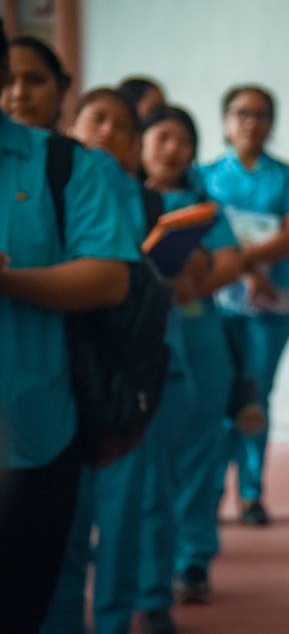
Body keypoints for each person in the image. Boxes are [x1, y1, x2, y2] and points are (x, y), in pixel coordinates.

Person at [0, 23, 139, 633]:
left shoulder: (57, 164)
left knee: (21, 605)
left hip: (30, 431)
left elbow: (109, 278)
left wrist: (8, 281)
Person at [41, 87, 152, 634]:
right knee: (64, 517)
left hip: (120, 367)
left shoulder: (138, 192)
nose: (105, 133)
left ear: (137, 145)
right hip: (62, 361)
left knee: (120, 509)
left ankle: (112, 619)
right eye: (95, 120)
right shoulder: (60, 176)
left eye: (120, 126)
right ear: (73, 125)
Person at [137, 105, 243, 609]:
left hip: (201, 336)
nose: (171, 149)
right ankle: (145, 570)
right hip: (145, 338)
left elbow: (231, 260)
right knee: (152, 464)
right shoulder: (122, 198)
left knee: (202, 452)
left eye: (182, 139)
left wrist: (189, 284)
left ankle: (193, 558)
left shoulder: (202, 205)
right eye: (161, 137)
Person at [195, 85, 289, 526]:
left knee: (255, 395)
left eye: (261, 114)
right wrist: (245, 270)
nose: (251, 122)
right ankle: (208, 493)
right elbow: (201, 231)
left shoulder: (288, 176)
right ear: (225, 120)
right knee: (215, 396)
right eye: (241, 113)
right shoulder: (203, 175)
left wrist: (246, 264)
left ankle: (250, 492)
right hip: (218, 302)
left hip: (272, 303)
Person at [0, 35, 72, 131]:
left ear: (62, 89)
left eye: (34, 80)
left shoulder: (75, 146)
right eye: (6, 81)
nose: (19, 94)